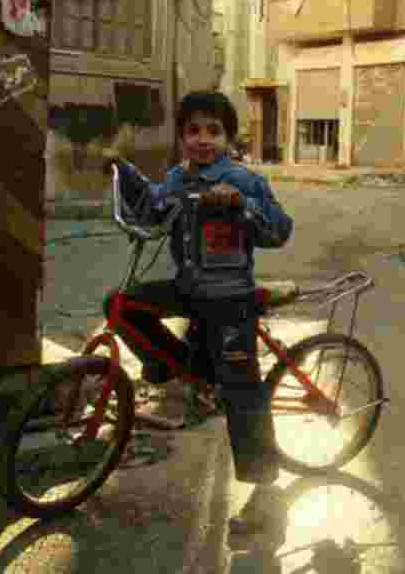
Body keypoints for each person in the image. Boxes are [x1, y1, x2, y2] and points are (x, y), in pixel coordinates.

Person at [104, 91, 293, 534]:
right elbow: (151, 207)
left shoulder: (244, 180)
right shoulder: (176, 177)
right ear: (182, 136)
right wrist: (122, 170)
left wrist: (240, 207)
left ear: (228, 137)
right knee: (119, 305)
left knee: (242, 396)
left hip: (231, 301)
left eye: (214, 131)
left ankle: (265, 491)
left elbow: (279, 230)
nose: (202, 139)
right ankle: (172, 365)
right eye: (193, 130)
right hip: (190, 292)